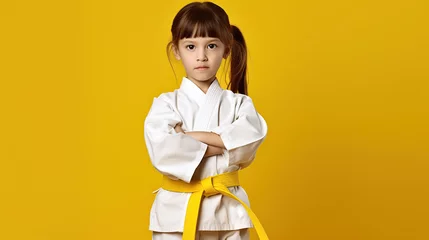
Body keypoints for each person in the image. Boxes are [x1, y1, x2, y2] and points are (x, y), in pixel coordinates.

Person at [144, 2, 269, 239]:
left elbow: (248, 143)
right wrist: (223, 143)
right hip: (174, 214)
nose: (201, 56)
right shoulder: (165, 104)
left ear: (226, 49)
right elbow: (163, 152)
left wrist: (188, 137)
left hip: (228, 212)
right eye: (191, 46)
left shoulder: (239, 104)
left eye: (211, 45)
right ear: (177, 51)